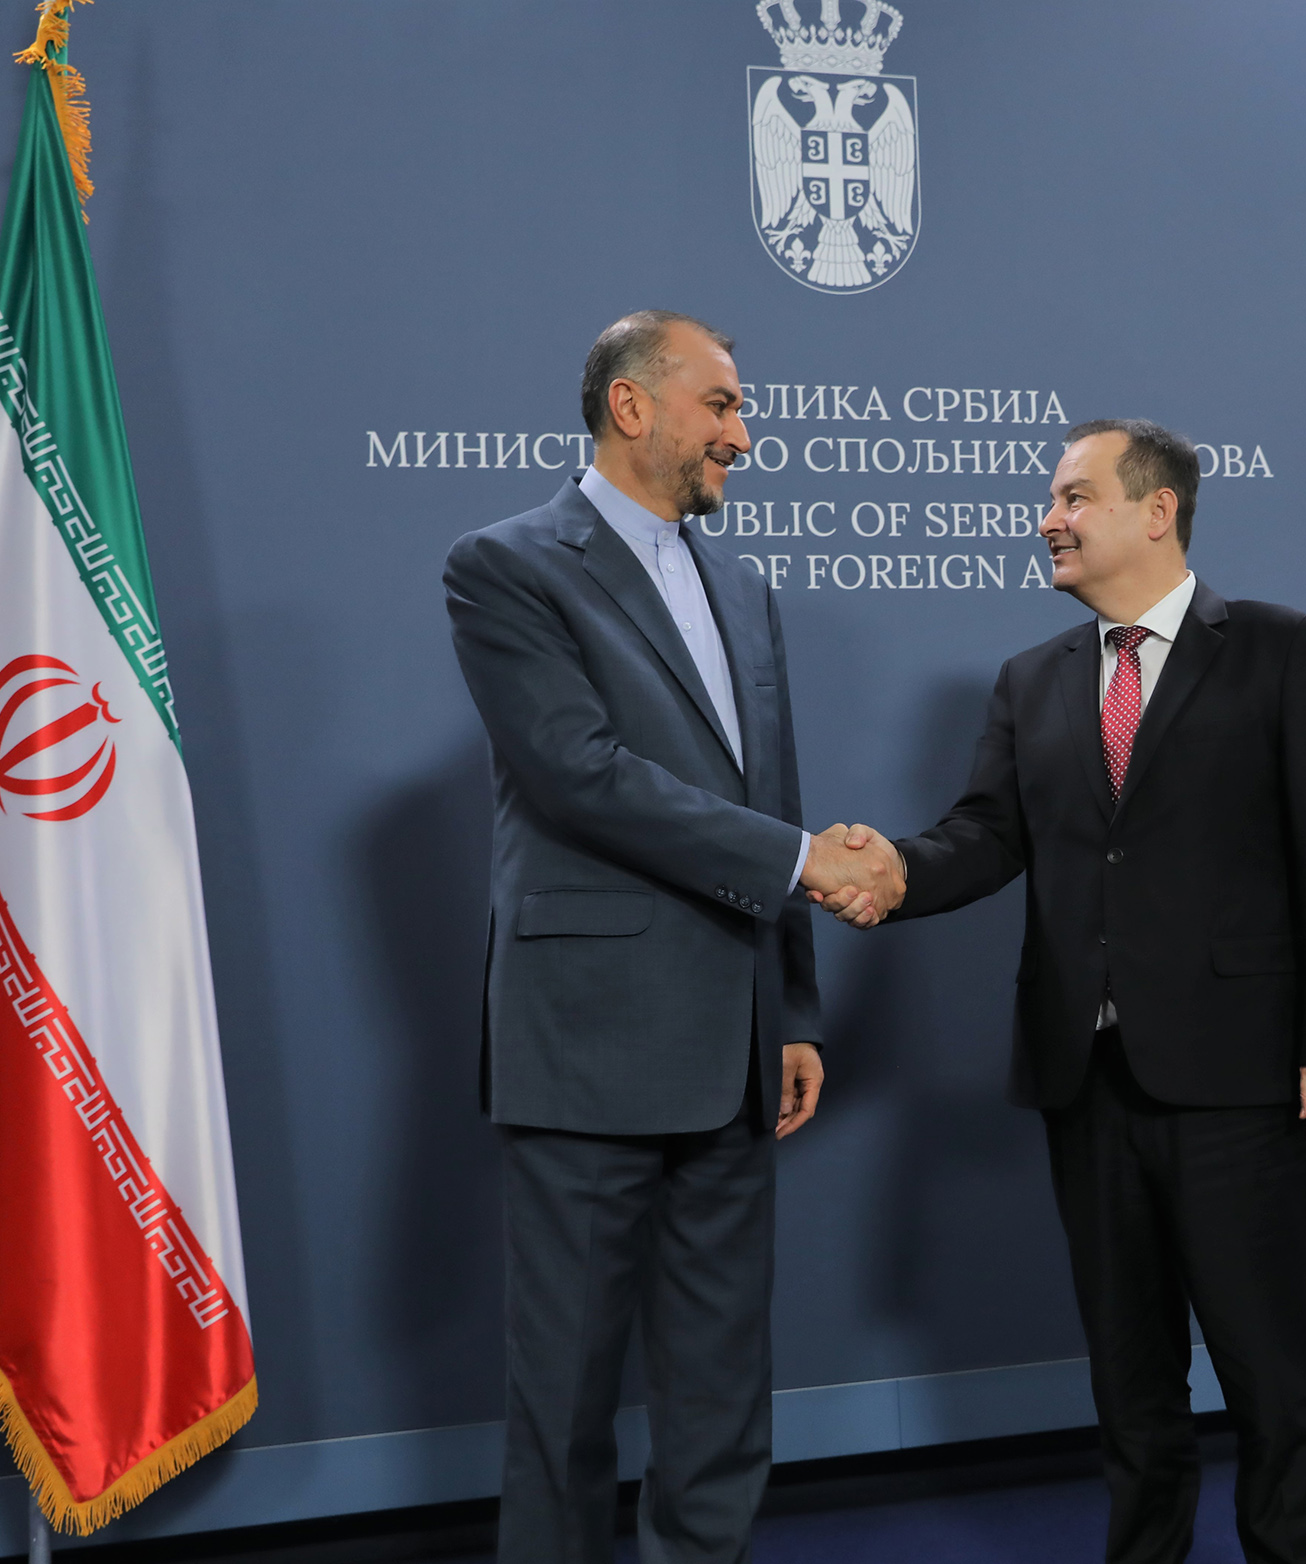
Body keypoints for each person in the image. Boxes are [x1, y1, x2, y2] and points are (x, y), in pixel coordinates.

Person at [822, 420, 1306, 1564]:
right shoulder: (1031, 680)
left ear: (1155, 510)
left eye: (1073, 496)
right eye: (1051, 500)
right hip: (1086, 1084)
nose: (1049, 520)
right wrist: (893, 871)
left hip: (1239, 1083)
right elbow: (985, 835)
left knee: (1270, 1382)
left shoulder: (1280, 650)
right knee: (1130, 1387)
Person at [443, 310, 900, 1564]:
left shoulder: (742, 586)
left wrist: (792, 1007)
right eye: (721, 405)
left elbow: (769, 789)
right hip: (586, 1045)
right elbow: (578, 773)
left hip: (735, 1044)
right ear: (631, 405)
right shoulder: (505, 565)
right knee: (564, 1398)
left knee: (719, 1388)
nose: (741, 437)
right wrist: (807, 866)